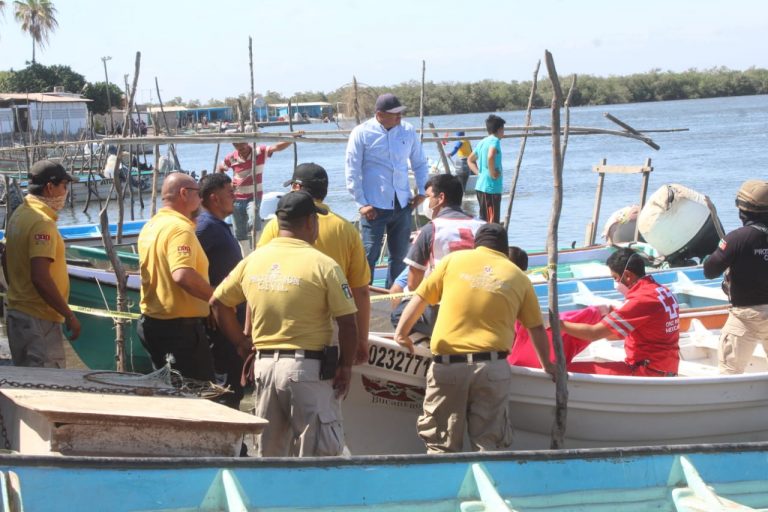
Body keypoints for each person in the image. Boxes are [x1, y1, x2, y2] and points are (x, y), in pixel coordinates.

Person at [210, 191, 359, 457]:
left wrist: (241, 342)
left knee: (270, 456)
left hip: (264, 368)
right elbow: (348, 323)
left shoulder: (253, 260)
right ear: (311, 222)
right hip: (308, 371)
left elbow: (218, 303)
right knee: (318, 458)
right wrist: (346, 366)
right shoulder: (324, 265)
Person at [394, 223, 556, 453]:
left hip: (448, 366)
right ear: (504, 248)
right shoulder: (519, 277)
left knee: (440, 445)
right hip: (492, 367)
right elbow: (536, 328)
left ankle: (445, 475)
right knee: (489, 447)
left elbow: (419, 298)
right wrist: (547, 364)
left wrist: (401, 333)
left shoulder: (452, 261)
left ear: (476, 244)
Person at [258, 163, 371, 364]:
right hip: (331, 326)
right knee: (333, 381)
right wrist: (362, 338)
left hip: (281, 323)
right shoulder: (346, 229)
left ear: (296, 187)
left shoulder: (277, 225)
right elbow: (360, 291)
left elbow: (258, 273)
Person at [345, 93, 429, 288]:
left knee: (400, 256)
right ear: (380, 114)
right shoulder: (361, 133)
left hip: (403, 203)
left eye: (400, 113)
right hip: (373, 205)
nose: (399, 117)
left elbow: (419, 163)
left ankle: (394, 298)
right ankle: (365, 297)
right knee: (369, 255)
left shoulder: (408, 130)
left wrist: (423, 192)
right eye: (394, 114)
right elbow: (352, 169)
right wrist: (361, 203)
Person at [137, 172, 215, 381]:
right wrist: (216, 297)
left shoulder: (151, 225)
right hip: (178, 330)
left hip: (152, 322)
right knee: (198, 391)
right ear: (184, 193)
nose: (201, 198)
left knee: (169, 389)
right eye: (198, 193)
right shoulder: (180, 229)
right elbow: (182, 275)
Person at [3, 160, 80, 367]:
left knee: (28, 378)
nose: (66, 191)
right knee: (48, 379)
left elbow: (5, 257)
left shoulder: (19, 214)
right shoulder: (42, 223)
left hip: (18, 311)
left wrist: (18, 289)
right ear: (50, 187)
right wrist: (68, 314)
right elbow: (40, 277)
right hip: (39, 319)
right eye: (64, 185)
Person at [561, 248, 681, 376]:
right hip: (667, 366)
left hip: (647, 370)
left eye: (615, 278)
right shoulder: (663, 291)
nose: (615, 283)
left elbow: (594, 333)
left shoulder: (641, 300)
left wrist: (559, 324)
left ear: (628, 276)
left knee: (567, 370)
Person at [392, 174, 486, 335]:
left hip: (446, 308)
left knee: (398, 314)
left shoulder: (431, 229)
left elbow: (413, 284)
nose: (426, 202)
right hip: (482, 304)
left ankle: (428, 341)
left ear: (441, 198)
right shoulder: (483, 227)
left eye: (429, 197)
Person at [703, 179, 768, 374]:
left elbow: (709, 271)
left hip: (745, 316)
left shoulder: (737, 239)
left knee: (729, 373)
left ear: (742, 211)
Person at [195, 173, 245, 407]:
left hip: (229, 316)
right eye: (230, 193)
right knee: (225, 384)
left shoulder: (217, 226)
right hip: (219, 320)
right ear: (214, 198)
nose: (235, 197)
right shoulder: (205, 227)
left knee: (233, 381)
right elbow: (188, 267)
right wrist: (208, 302)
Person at [216, 138, 297, 252]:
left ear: (247, 142)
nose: (241, 149)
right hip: (236, 197)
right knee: (239, 230)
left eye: (243, 146)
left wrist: (292, 139)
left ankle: (258, 248)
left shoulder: (259, 152)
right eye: (238, 147)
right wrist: (227, 183)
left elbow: (277, 147)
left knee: (253, 219)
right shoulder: (232, 157)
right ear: (234, 146)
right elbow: (220, 168)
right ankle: (245, 254)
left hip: (253, 196)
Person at [468, 115, 506, 223]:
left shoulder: (483, 141)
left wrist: (479, 173)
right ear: (499, 129)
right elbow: (490, 156)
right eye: (503, 129)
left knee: (485, 220)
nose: (504, 132)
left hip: (482, 186)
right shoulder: (495, 140)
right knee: (492, 222)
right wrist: (492, 173)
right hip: (490, 188)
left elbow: (470, 160)